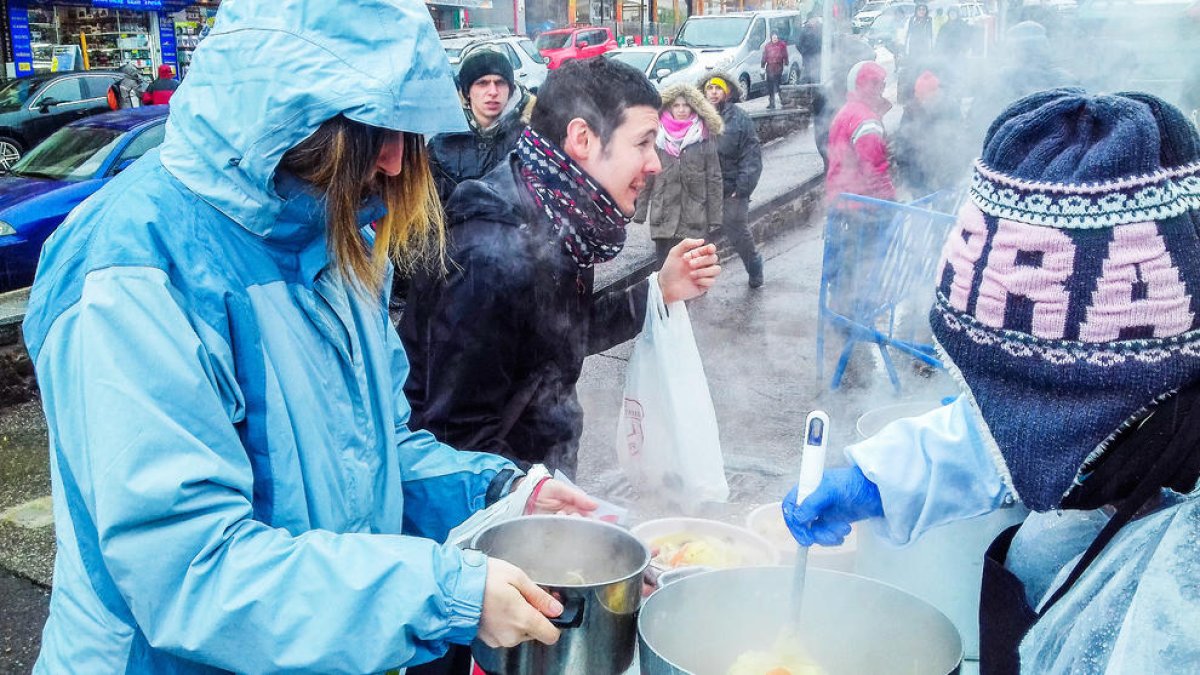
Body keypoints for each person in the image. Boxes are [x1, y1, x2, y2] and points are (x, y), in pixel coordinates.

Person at [23, 2, 598, 672]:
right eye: (371, 127)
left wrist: (498, 495)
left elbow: (375, 456)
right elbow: (189, 571)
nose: (394, 160)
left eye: (405, 129)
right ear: (284, 112)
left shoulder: (334, 235)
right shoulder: (134, 269)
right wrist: (443, 593)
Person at [783, 90, 1200, 674]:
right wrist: (877, 480)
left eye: (1055, 409)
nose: (1020, 428)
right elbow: (1003, 436)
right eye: (996, 395)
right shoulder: (1126, 412)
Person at [400, 58, 722, 479]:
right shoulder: (487, 257)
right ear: (582, 138)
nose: (655, 163)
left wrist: (659, 290)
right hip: (500, 497)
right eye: (643, 143)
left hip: (538, 475)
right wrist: (531, 496)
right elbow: (457, 440)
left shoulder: (561, 216)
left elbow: (560, 332)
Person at [428, 48, 535, 204]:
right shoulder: (442, 144)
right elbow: (431, 208)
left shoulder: (529, 138)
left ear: (511, 90)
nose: (493, 91)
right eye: (482, 83)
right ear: (467, 92)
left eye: (500, 82)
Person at [636, 84, 724, 267]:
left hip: (694, 218)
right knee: (665, 272)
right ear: (669, 108)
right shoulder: (657, 139)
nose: (681, 110)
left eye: (686, 105)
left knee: (694, 271)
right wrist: (640, 211)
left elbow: (714, 179)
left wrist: (715, 217)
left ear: (693, 107)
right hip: (664, 218)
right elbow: (646, 176)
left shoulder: (703, 137)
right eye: (676, 105)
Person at [701, 72, 765, 287]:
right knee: (698, 236)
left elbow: (751, 155)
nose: (713, 92)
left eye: (718, 88)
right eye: (710, 88)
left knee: (737, 230)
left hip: (732, 188)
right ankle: (700, 281)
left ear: (727, 92)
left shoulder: (740, 119)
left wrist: (742, 187)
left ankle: (754, 266)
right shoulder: (697, 117)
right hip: (703, 187)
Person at [826, 60, 895, 202]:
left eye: (883, 83)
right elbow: (874, 170)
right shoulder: (867, 122)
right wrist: (890, 199)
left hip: (840, 198)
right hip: (863, 202)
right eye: (878, 83)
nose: (882, 88)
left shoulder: (845, 112)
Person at [892, 70, 968, 197]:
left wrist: (954, 173)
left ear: (935, 94)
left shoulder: (950, 108)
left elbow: (958, 142)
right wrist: (906, 176)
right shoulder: (912, 109)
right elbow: (902, 143)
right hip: (917, 176)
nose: (921, 100)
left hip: (944, 175)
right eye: (919, 96)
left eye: (924, 97)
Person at [762, 32, 791, 109]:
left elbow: (785, 54)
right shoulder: (767, 46)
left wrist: (786, 63)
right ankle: (772, 103)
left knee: (778, 85)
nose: (775, 39)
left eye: (776, 38)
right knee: (770, 86)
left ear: (778, 38)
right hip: (770, 67)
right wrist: (762, 66)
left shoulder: (782, 45)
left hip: (778, 67)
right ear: (771, 38)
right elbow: (764, 56)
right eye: (773, 38)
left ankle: (783, 101)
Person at [797, 15, 823, 85]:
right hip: (808, 57)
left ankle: (816, 87)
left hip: (818, 56)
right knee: (808, 73)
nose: (815, 21)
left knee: (817, 74)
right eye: (813, 19)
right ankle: (807, 88)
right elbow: (798, 44)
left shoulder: (820, 28)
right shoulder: (804, 30)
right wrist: (804, 52)